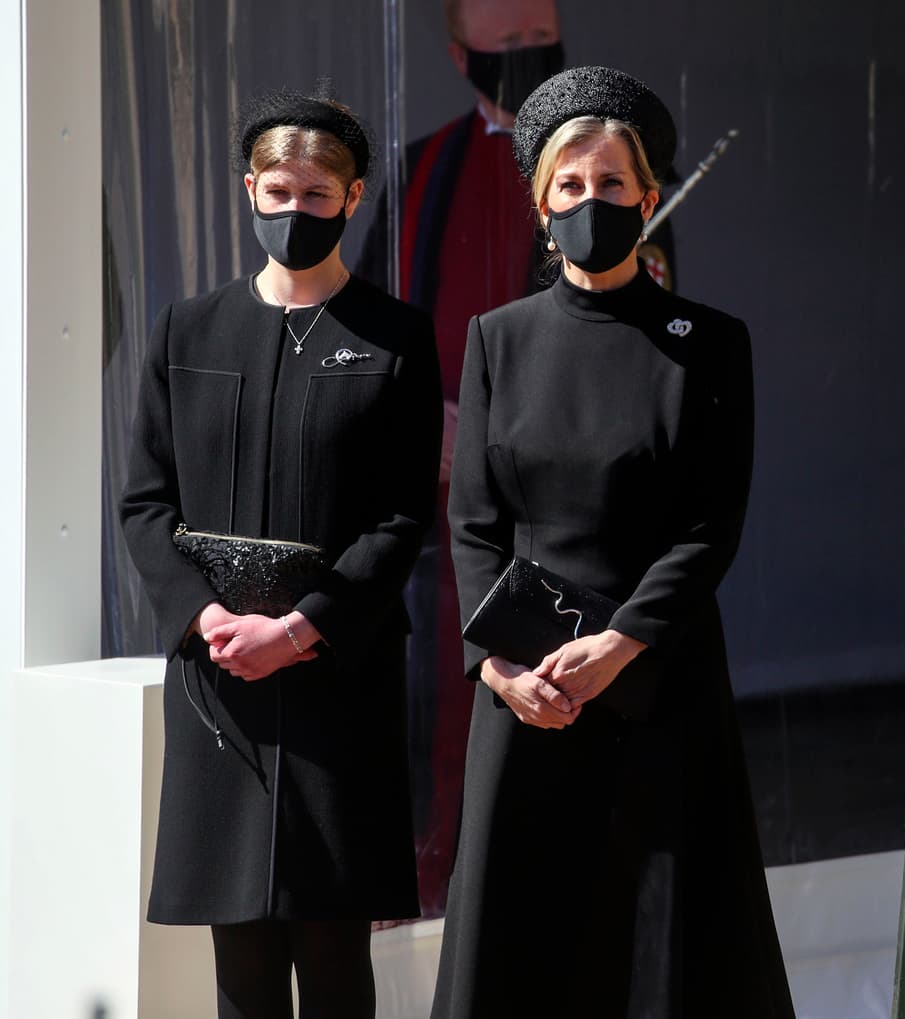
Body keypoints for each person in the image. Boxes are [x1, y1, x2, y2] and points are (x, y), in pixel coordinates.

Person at [430, 66, 795, 1018]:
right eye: (572, 186)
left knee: (662, 950)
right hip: (525, 694)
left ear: (647, 195)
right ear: (541, 204)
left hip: (657, 683)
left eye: (612, 185)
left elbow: (711, 523)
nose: (593, 202)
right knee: (524, 943)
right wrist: (501, 668)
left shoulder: (709, 343)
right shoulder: (496, 338)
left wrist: (621, 642)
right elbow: (472, 521)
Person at [119, 89, 442, 1019]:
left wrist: (305, 628)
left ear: (351, 199)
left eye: (316, 194)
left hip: (339, 677)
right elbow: (145, 501)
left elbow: (399, 517)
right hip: (221, 682)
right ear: (248, 192)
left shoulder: (396, 338)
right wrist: (207, 617)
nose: (293, 211)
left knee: (336, 953)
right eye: (277, 190)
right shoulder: (188, 329)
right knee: (242, 963)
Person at [356, 0, 678, 915]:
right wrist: (433, 417)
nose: (530, 56)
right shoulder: (424, 174)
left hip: (586, 509)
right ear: (461, 56)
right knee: (453, 702)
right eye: (507, 46)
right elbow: (380, 332)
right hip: (457, 498)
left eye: (542, 36)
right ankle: (439, 882)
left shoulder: (617, 183)